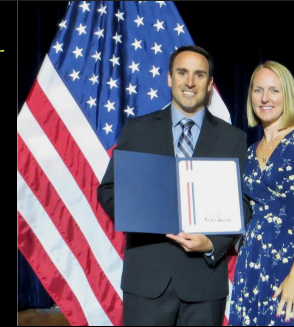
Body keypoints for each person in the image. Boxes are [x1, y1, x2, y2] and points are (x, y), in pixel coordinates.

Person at [98, 45, 248, 326]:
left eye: (199, 75)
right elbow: (108, 190)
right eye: (182, 73)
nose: (190, 82)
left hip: (204, 285)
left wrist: (212, 244)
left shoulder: (233, 138)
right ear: (169, 78)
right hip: (147, 282)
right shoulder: (138, 129)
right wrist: (140, 215)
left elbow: (242, 204)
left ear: (210, 84)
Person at [228, 61, 294, 326]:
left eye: (274, 90)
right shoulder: (249, 153)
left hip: (291, 260)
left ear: (288, 96)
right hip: (251, 260)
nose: (265, 98)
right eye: (258, 90)